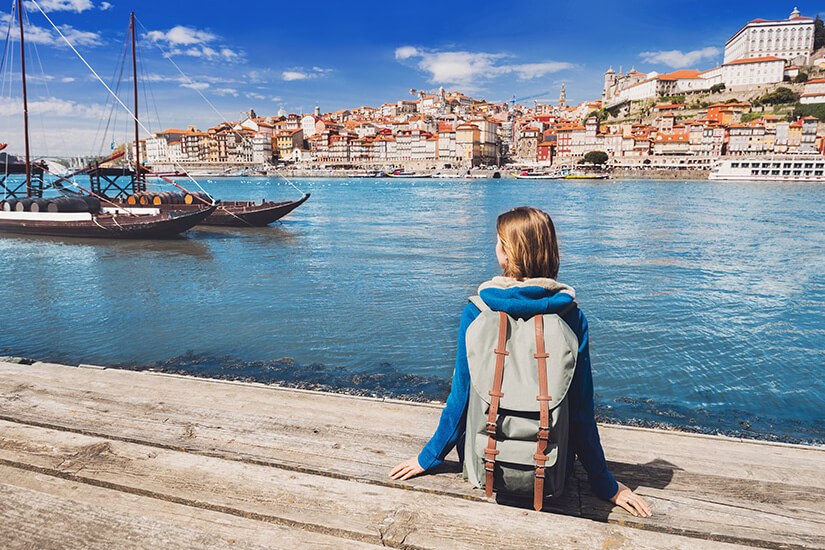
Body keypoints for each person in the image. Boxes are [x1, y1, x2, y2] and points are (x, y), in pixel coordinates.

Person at [389, 206, 651, 518]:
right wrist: (605, 484)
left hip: (482, 465)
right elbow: (581, 411)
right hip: (552, 470)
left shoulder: (476, 312)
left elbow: (459, 399)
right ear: (551, 252)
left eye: (498, 242)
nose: (494, 248)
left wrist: (429, 458)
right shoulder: (572, 317)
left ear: (507, 254)